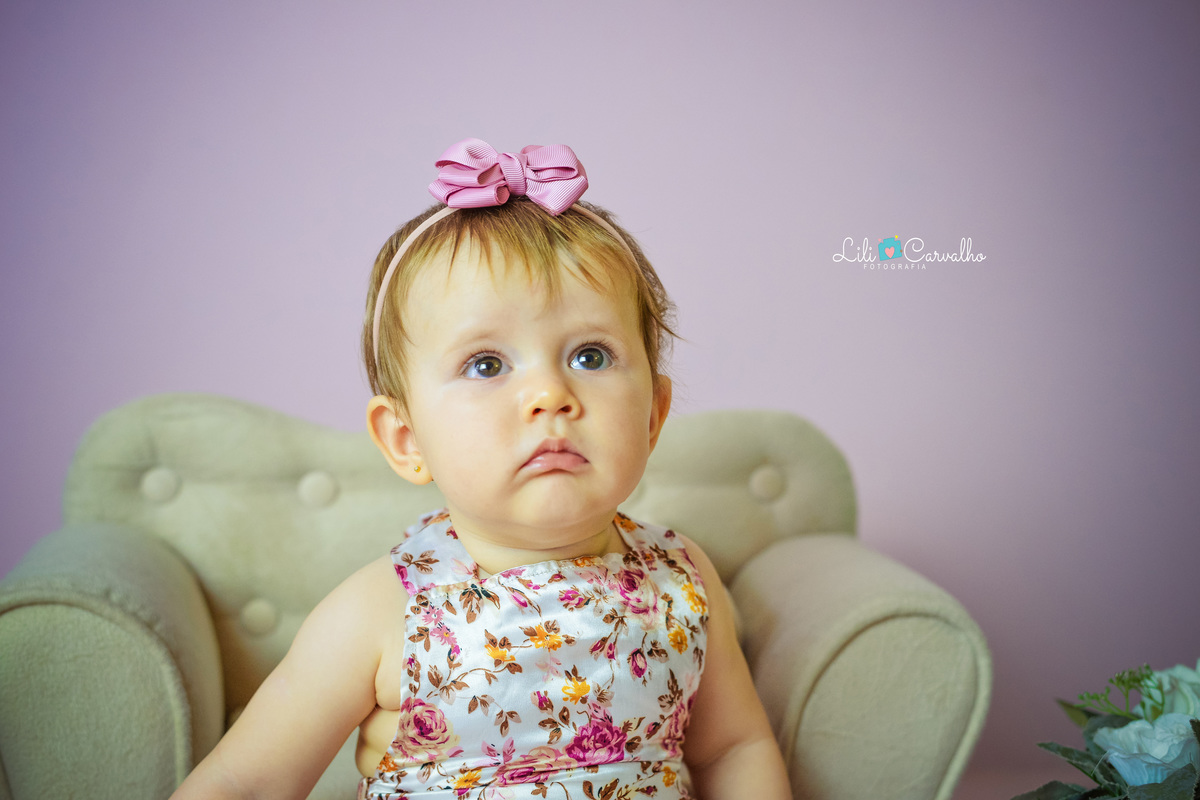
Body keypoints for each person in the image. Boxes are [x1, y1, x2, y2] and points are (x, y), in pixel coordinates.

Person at [171, 139, 790, 799]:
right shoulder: (384, 609)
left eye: (589, 356)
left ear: (653, 416)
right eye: (487, 365)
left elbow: (732, 749)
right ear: (406, 440)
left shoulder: (682, 580)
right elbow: (250, 782)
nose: (550, 394)